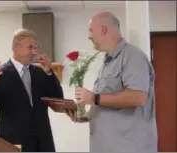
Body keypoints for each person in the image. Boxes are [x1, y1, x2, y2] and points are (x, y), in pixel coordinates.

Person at [65, 11, 158, 152]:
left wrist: (94, 98)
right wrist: (85, 117)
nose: (89, 36)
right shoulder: (107, 61)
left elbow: (137, 97)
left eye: (91, 30)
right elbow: (107, 104)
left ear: (104, 30)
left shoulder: (133, 57)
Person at [0, 28, 64, 152]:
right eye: (30, 47)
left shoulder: (40, 72)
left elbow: (58, 100)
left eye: (36, 47)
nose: (34, 52)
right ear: (16, 47)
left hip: (43, 145)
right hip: (13, 145)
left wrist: (49, 73)